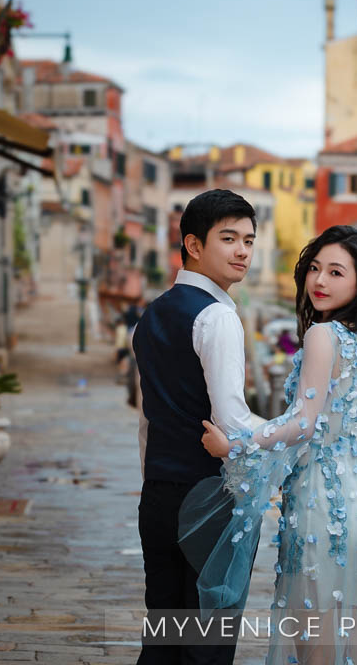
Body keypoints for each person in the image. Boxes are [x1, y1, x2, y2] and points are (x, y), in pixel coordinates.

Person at [183, 225, 357, 665]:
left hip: (322, 506)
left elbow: (302, 425)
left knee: (315, 646)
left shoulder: (322, 336)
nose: (320, 281)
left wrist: (236, 444)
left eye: (336, 272)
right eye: (314, 269)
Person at [131, 189, 258, 665]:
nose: (242, 250)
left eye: (248, 239)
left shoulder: (150, 315)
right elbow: (232, 421)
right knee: (207, 644)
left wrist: (153, 480)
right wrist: (292, 435)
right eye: (229, 238)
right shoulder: (218, 316)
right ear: (194, 244)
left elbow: (146, 418)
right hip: (206, 498)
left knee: (162, 641)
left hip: (159, 496)